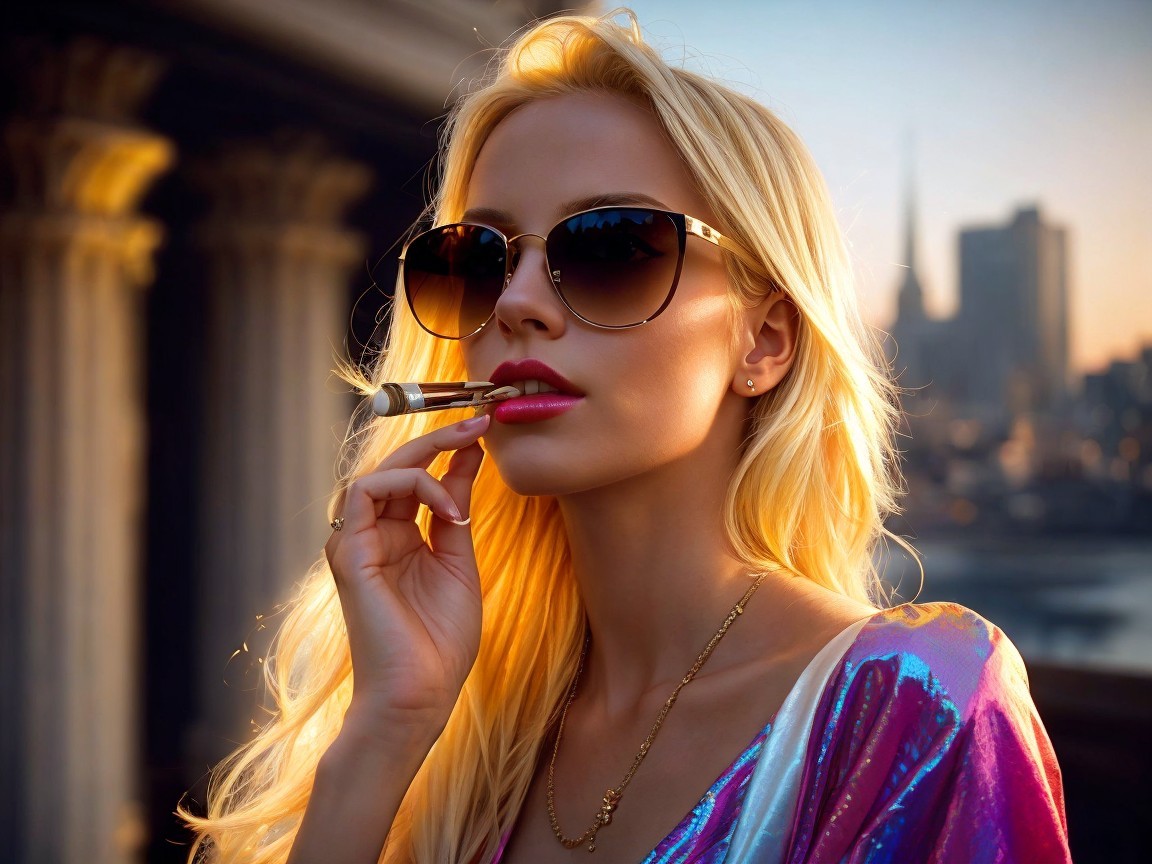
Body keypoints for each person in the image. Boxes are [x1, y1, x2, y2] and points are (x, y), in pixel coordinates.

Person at [182, 10, 1071, 863]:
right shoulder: (476, 737)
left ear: (763, 340)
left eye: (609, 247)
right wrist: (386, 728)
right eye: (480, 259)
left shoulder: (918, 708)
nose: (519, 304)